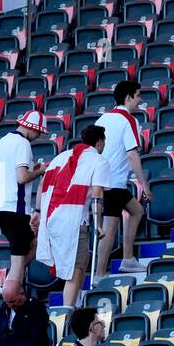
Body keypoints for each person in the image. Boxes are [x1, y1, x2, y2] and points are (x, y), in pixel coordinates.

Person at [35, 125, 110, 308]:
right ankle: (67, 312)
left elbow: (41, 185)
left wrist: (37, 212)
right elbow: (97, 194)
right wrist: (99, 224)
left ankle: (72, 305)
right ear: (100, 142)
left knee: (79, 264)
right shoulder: (99, 160)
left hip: (51, 219)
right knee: (75, 271)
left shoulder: (61, 157)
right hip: (74, 221)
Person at [95, 79, 151, 278]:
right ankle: (100, 274)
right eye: (137, 95)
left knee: (136, 210)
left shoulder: (102, 119)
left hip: (101, 181)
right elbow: (132, 154)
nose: (140, 100)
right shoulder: (129, 120)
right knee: (109, 229)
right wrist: (144, 184)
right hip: (114, 183)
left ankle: (128, 259)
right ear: (128, 97)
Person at [0, 109, 48, 303]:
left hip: (1, 205)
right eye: (39, 132)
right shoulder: (23, 143)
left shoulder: (5, 140)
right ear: (32, 128)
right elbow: (22, 177)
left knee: (33, 244)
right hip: (15, 207)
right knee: (19, 256)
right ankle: (11, 293)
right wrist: (40, 171)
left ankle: (8, 284)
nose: (38, 136)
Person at [0, 282, 49, 346]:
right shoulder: (4, 308)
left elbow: (35, 341)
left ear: (22, 293)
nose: (10, 305)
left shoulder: (36, 308)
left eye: (13, 301)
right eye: (7, 302)